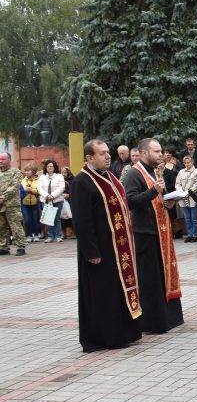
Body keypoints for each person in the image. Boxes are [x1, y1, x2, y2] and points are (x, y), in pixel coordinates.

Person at [72, 140, 143, 351]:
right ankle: (104, 337)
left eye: (108, 153)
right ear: (89, 158)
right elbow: (81, 221)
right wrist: (91, 251)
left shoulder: (110, 177)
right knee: (102, 294)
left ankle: (124, 333)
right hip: (99, 251)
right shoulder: (82, 182)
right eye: (102, 153)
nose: (107, 156)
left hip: (119, 249)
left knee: (118, 291)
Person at [123, 139, 184, 334]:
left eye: (161, 151)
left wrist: (169, 202)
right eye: (156, 151)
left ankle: (169, 318)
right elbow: (130, 201)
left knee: (162, 276)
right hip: (145, 234)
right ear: (143, 153)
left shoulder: (155, 171)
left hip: (161, 232)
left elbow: (159, 198)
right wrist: (153, 191)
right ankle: (152, 322)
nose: (161, 155)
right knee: (150, 280)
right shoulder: (133, 173)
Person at [0, 152, 27, 255]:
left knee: (15, 226)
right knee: (1, 227)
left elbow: (14, 187)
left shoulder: (16, 172)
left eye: (3, 159)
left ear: (9, 160)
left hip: (12, 204)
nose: (1, 161)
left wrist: (3, 197)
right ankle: (3, 247)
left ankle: (20, 246)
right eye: (0, 159)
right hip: (0, 205)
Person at [38, 159, 66, 243]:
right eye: (48, 166)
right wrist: (47, 196)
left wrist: (52, 196)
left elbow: (61, 187)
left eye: (51, 166)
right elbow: (39, 188)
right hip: (46, 200)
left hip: (57, 200)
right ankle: (50, 236)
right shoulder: (42, 177)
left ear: (54, 167)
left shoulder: (59, 176)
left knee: (56, 218)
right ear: (45, 168)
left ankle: (58, 236)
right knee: (48, 218)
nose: (50, 168)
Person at [176, 155, 197, 242]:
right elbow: (177, 183)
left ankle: (194, 235)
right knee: (187, 218)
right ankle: (189, 234)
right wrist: (181, 192)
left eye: (189, 162)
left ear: (192, 162)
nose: (187, 164)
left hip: (192, 197)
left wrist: (188, 192)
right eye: (185, 163)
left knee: (194, 218)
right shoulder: (181, 172)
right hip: (183, 198)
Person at [20, 163, 42, 243]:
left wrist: (32, 190)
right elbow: (21, 190)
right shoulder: (23, 180)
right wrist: (25, 190)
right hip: (25, 203)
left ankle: (36, 234)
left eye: (28, 171)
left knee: (35, 219)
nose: (26, 172)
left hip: (35, 202)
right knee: (27, 220)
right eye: (25, 171)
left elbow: (40, 190)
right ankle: (28, 235)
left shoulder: (39, 180)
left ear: (33, 171)